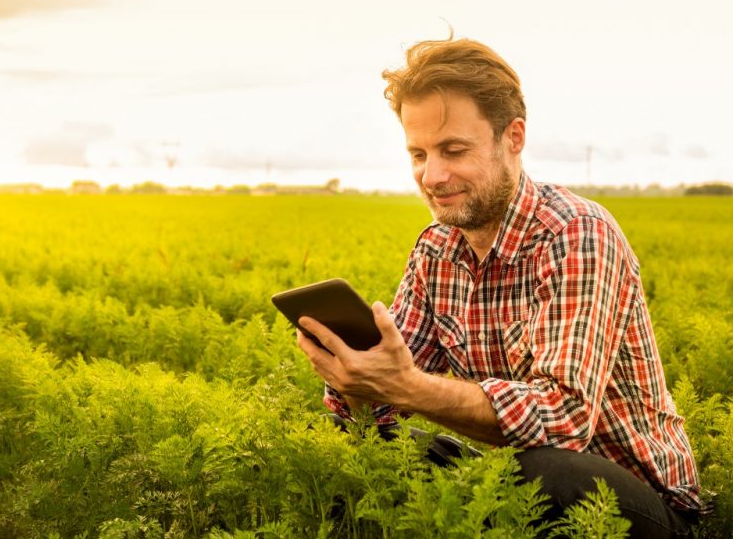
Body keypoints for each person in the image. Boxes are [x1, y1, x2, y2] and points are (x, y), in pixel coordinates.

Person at [296, 35, 709, 537]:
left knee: (549, 472)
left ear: (512, 138)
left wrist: (406, 385)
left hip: (631, 502)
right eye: (418, 154)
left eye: (453, 150)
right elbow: (389, 398)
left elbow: (565, 419)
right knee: (368, 447)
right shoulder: (436, 251)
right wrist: (355, 379)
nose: (433, 175)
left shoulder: (576, 234)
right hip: (511, 478)